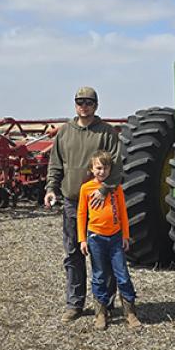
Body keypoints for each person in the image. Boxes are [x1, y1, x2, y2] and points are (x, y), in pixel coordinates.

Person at [44, 86, 122, 323]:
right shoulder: (65, 132)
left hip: (100, 203)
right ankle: (74, 303)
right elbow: (56, 164)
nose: (84, 106)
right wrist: (50, 188)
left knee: (104, 254)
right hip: (72, 202)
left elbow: (117, 166)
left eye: (89, 102)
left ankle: (104, 304)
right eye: (80, 102)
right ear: (75, 104)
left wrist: (104, 188)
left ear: (96, 105)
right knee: (73, 253)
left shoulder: (107, 133)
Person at [78, 150, 141, 329]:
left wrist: (125, 235)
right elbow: (82, 214)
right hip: (95, 238)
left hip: (115, 238)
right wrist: (82, 239)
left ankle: (130, 313)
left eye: (105, 168)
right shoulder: (86, 189)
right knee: (99, 276)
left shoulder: (116, 189)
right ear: (91, 169)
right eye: (98, 168)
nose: (102, 171)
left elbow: (122, 212)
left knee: (122, 275)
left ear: (110, 170)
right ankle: (100, 313)